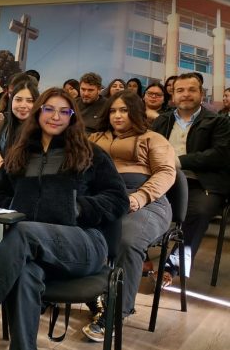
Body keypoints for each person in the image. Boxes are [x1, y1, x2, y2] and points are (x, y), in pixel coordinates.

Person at [0, 87, 129, 348]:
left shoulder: (90, 153)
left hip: (83, 244)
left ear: (73, 117)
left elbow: (119, 199)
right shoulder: (20, 154)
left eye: (64, 112)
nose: (56, 116)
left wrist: (78, 207)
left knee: (24, 232)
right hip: (32, 249)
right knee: (25, 272)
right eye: (49, 109)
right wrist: (17, 206)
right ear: (38, 112)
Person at [85, 91, 175, 341]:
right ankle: (88, 294)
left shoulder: (153, 139)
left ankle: (116, 312)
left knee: (127, 240)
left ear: (135, 112)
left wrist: (140, 197)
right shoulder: (94, 138)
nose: (117, 115)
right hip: (102, 198)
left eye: (124, 110)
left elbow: (166, 173)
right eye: (113, 110)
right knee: (70, 228)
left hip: (147, 201)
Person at [151, 73, 230, 285]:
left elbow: (220, 155)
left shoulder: (218, 121)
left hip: (203, 183)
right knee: (132, 200)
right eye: (180, 90)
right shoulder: (162, 120)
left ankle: (172, 267)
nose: (186, 94)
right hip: (163, 178)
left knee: (199, 211)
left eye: (191, 90)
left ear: (201, 94)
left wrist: (180, 161)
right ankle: (141, 261)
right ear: (173, 95)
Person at [0, 81, 40, 169]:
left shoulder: (41, 130)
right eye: (18, 100)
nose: (23, 105)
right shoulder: (6, 122)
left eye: (30, 101)